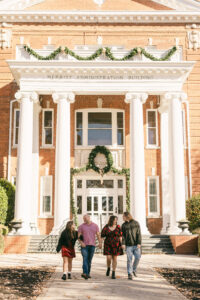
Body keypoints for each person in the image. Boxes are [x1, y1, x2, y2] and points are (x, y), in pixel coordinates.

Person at [78, 214, 102, 280]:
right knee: (85, 258)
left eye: (85, 218)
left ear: (89, 218)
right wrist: (81, 242)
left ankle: (87, 273)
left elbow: (98, 235)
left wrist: (100, 243)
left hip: (92, 246)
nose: (84, 220)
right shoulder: (81, 226)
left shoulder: (95, 226)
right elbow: (79, 236)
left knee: (89, 260)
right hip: (84, 246)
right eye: (83, 219)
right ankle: (85, 273)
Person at [121, 212, 142, 280]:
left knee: (138, 257)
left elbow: (139, 233)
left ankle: (134, 269)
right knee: (129, 260)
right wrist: (123, 243)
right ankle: (129, 273)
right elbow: (123, 236)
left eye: (123, 216)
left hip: (136, 245)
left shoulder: (136, 223)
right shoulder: (123, 225)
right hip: (128, 245)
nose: (122, 218)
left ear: (127, 216)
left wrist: (139, 243)